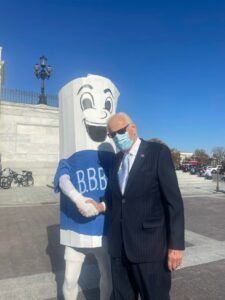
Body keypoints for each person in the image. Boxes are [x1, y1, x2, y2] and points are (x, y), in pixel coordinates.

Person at [87, 112, 185, 300]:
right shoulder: (117, 160)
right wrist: (99, 206)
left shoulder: (157, 153)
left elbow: (174, 202)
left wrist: (176, 246)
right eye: (112, 135)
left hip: (150, 249)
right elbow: (116, 197)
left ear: (133, 128)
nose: (117, 137)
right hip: (119, 249)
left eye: (120, 131)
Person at [54, 74, 120, 300]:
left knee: (108, 275)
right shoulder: (69, 157)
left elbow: (119, 189)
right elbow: (63, 180)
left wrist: (100, 206)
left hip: (103, 226)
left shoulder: (113, 158)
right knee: (70, 279)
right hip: (76, 225)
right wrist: (79, 200)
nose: (101, 112)